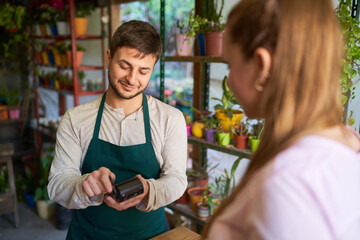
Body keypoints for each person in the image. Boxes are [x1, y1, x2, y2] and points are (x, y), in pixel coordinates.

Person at [202, 0, 360, 239]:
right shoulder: (347, 144)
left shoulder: (288, 188)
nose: (230, 81)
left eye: (230, 66)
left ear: (261, 66)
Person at [47, 20, 188, 239]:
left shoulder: (170, 119)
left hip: (151, 236)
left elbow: (177, 180)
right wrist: (86, 185)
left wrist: (148, 190)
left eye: (143, 71)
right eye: (124, 66)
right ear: (108, 58)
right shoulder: (75, 119)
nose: (132, 79)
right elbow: (57, 185)